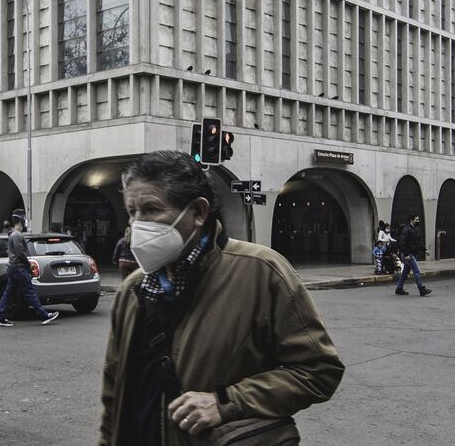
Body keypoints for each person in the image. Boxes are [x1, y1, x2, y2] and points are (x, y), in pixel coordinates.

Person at [98, 150, 344, 445]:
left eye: (151, 209)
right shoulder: (132, 290)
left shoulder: (261, 272)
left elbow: (318, 371)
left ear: (198, 212)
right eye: (132, 211)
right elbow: (114, 393)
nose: (136, 225)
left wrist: (226, 402)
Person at [0, 213, 59, 328]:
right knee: (29, 292)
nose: (25, 223)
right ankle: (44, 316)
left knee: (8, 293)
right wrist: (28, 265)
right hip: (19, 268)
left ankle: (0, 317)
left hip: (13, 267)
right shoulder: (17, 235)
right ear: (21, 222)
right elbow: (20, 253)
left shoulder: (12, 234)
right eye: (24, 221)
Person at [394, 214, 432, 297]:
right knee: (416, 271)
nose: (418, 221)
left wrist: (425, 250)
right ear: (411, 220)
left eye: (418, 219)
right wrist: (406, 254)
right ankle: (421, 289)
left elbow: (418, 242)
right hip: (408, 254)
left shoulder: (416, 229)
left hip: (413, 253)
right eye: (416, 219)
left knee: (405, 272)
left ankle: (399, 289)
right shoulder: (406, 229)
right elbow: (402, 243)